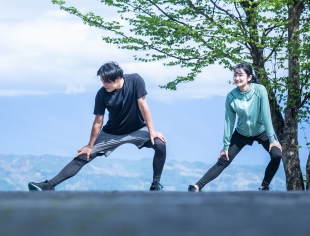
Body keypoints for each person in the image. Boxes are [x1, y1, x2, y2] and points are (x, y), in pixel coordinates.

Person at [28, 61, 167, 191]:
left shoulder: (135, 80)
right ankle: (49, 186)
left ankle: (156, 184)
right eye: (101, 81)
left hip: (137, 129)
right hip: (112, 132)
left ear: (118, 78)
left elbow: (143, 105)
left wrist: (152, 131)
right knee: (84, 155)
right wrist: (89, 145)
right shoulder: (101, 94)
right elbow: (98, 122)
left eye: (106, 81)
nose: (104, 84)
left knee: (160, 144)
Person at [189, 63, 282, 192]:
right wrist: (225, 146)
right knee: (224, 160)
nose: (237, 78)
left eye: (240, 75)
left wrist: (272, 139)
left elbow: (266, 115)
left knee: (277, 155)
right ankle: (197, 186)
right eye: (235, 75)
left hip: (262, 131)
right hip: (241, 133)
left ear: (249, 77)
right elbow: (229, 122)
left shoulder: (260, 90)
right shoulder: (231, 96)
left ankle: (264, 186)